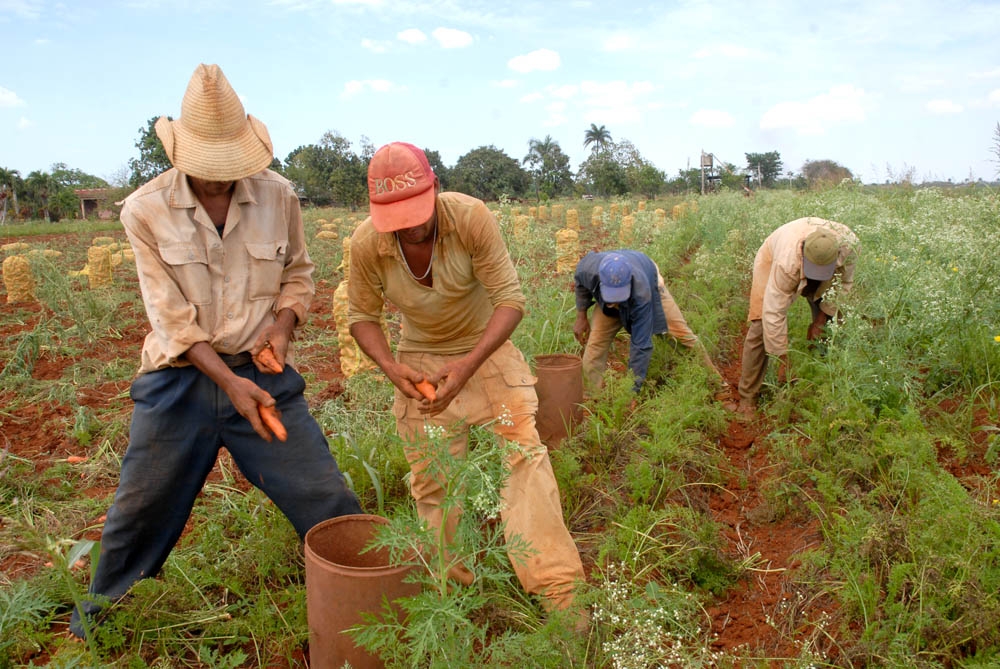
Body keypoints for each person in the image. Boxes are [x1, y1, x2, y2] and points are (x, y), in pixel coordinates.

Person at [69, 64, 362, 638]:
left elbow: (297, 275)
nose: (218, 181)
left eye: (229, 170)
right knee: (139, 510)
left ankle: (367, 603)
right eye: (206, 170)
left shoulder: (279, 195)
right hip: (180, 381)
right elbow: (169, 318)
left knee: (325, 495)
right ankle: (94, 627)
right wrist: (229, 385)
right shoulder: (145, 210)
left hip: (263, 373)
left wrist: (280, 330)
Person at [347, 142, 585, 613]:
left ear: (434, 187)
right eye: (396, 219)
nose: (411, 225)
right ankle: (452, 596)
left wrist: (468, 365)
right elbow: (362, 317)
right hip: (418, 358)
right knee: (433, 479)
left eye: (417, 211)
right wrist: (393, 368)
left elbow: (510, 301)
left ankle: (560, 592)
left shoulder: (470, 217)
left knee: (522, 458)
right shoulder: (366, 244)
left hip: (485, 349)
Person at [737, 217, 859, 415]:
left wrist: (821, 320)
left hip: (825, 265)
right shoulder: (786, 262)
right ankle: (748, 396)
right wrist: (783, 360)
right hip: (772, 257)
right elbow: (774, 312)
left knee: (832, 323)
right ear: (802, 253)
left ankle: (820, 381)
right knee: (761, 324)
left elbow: (843, 285)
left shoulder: (850, 246)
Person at [573, 250, 725, 394]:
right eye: (613, 298)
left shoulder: (642, 293)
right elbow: (580, 282)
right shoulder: (588, 269)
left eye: (619, 298)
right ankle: (592, 398)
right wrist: (581, 316)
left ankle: (717, 383)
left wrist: (632, 390)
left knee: (680, 334)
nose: (616, 303)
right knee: (596, 343)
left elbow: (641, 345)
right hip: (614, 285)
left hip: (651, 283)